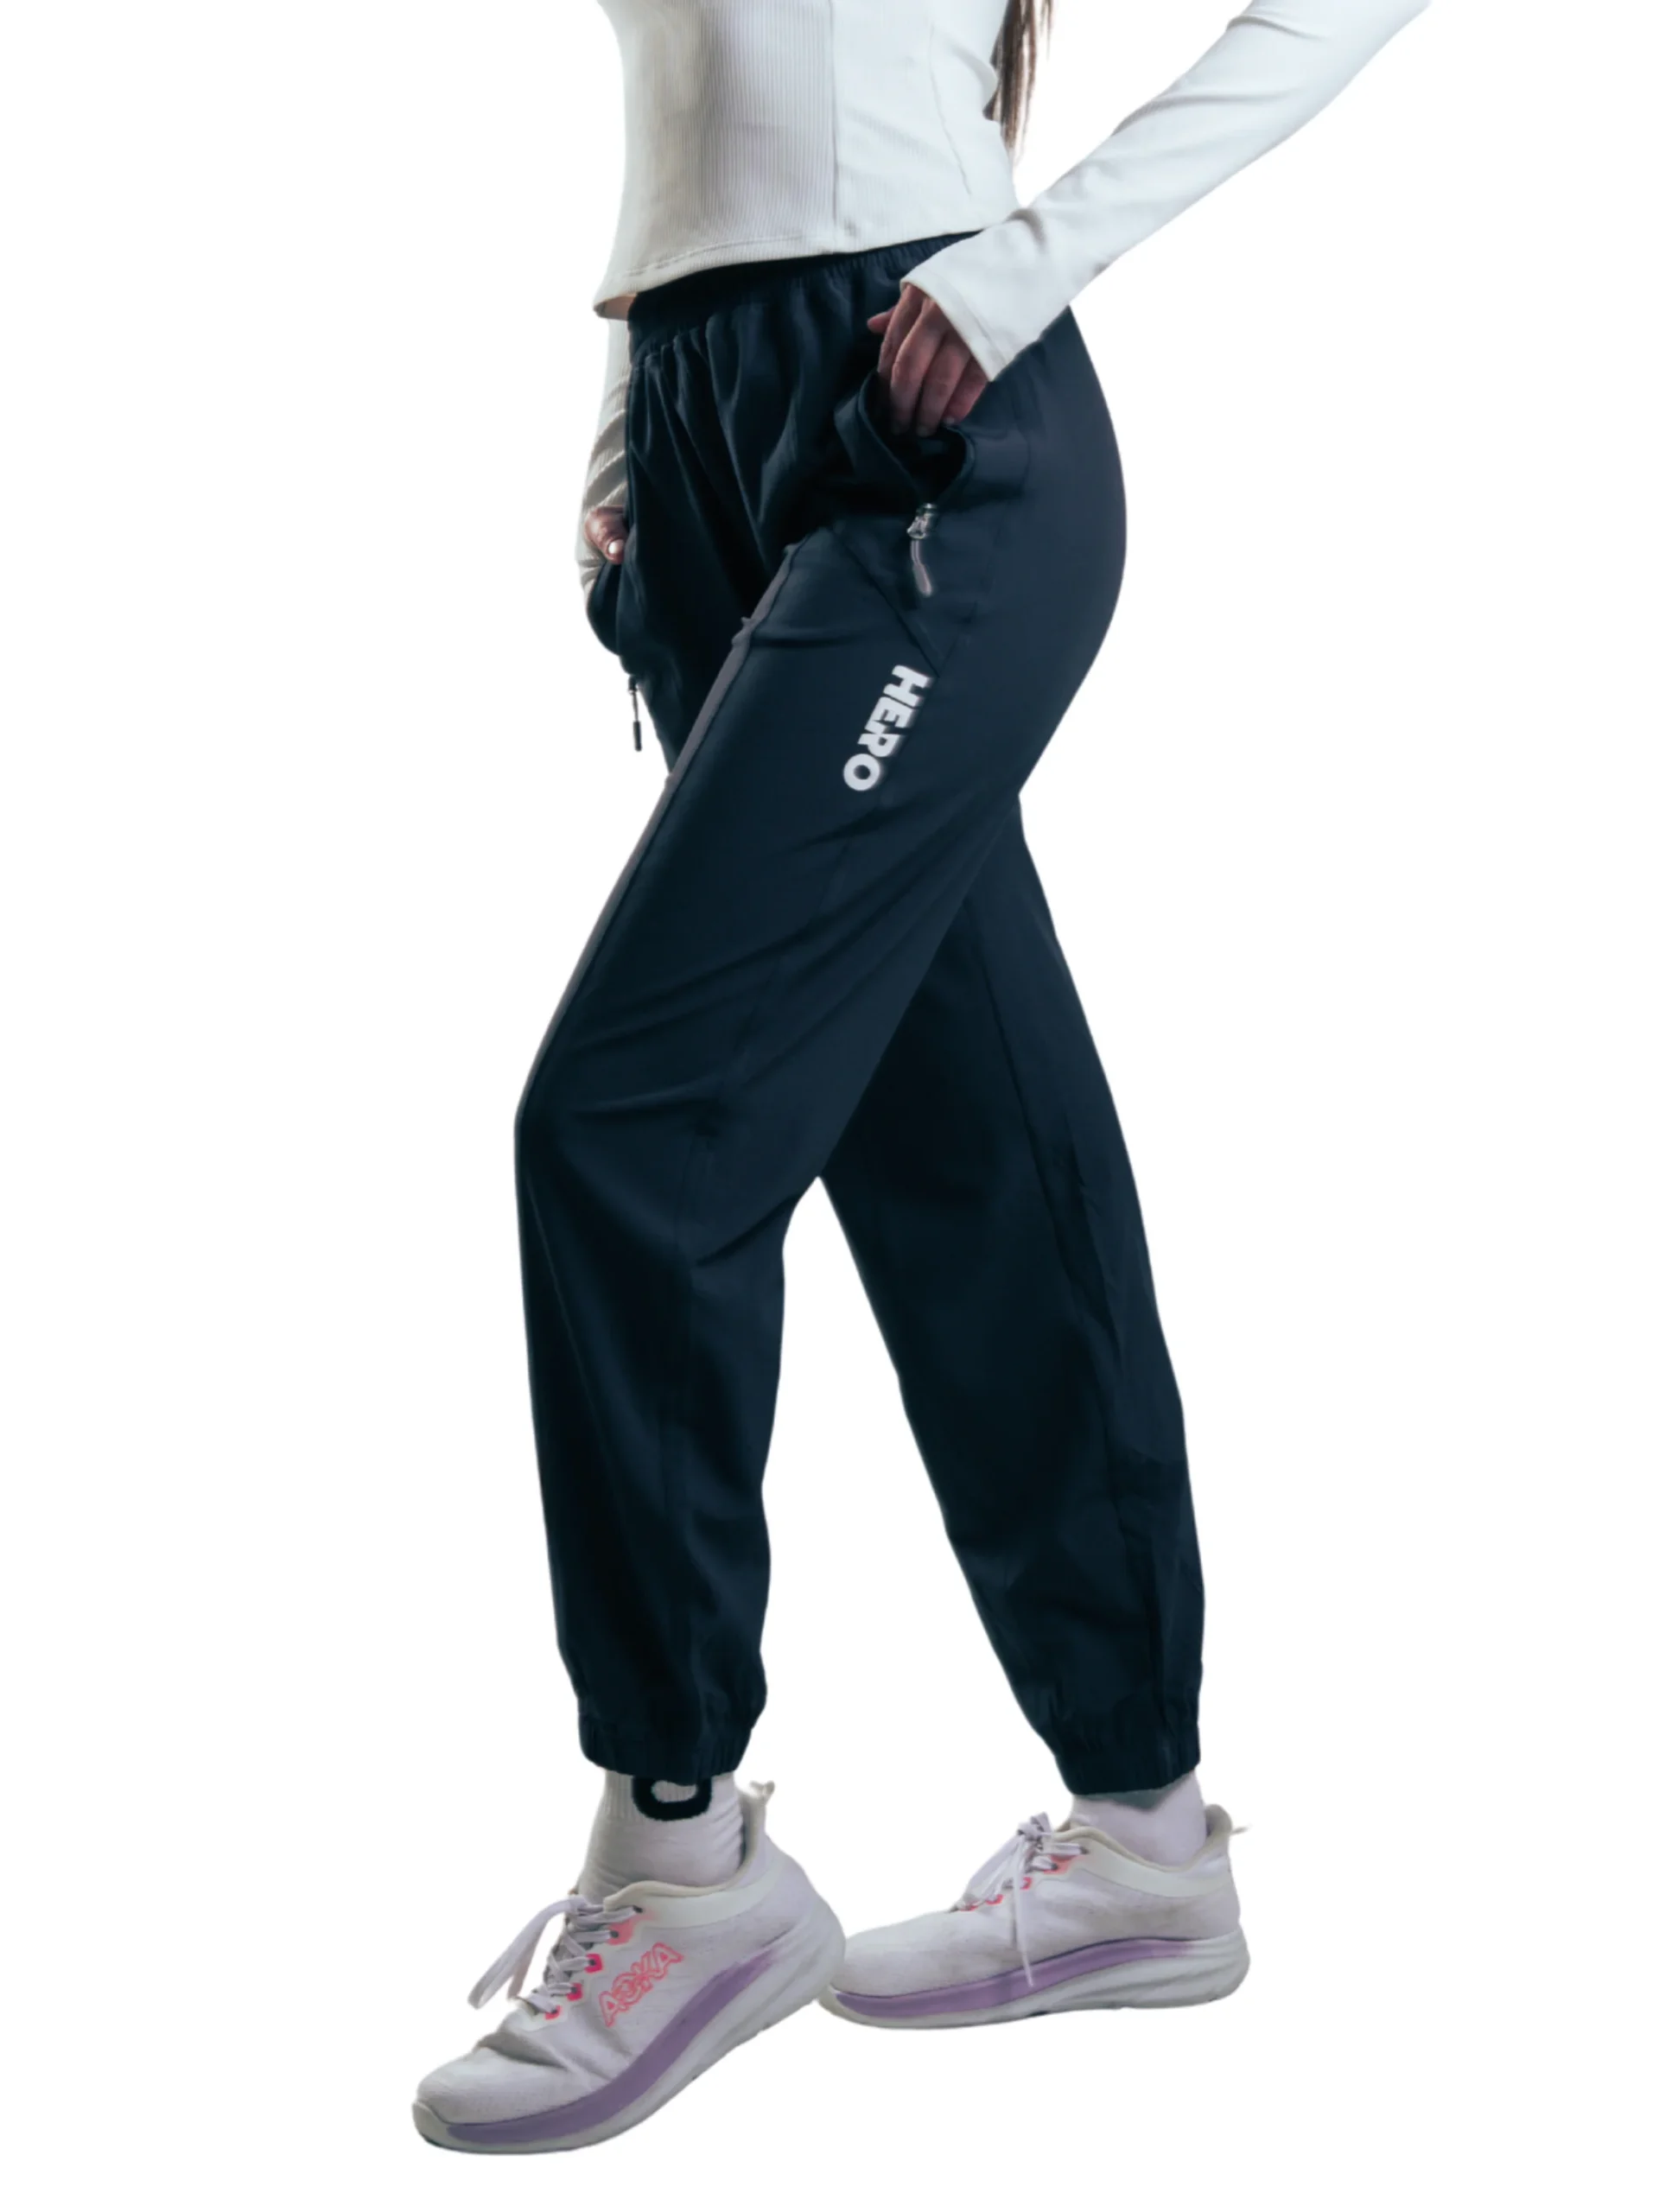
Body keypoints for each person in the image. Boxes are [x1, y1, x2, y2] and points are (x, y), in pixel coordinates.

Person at [413, 0, 1433, 2154]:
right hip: (705, 434)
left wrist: (1022, 268)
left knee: (629, 1130)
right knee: (960, 1141)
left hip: (929, 420)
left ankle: (681, 1855)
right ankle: (1145, 1829)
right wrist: (626, 417)